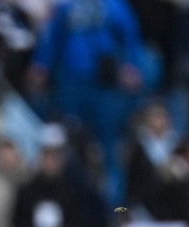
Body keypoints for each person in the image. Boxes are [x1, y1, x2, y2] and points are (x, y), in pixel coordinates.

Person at [26, 0, 146, 205]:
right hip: (71, 86)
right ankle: (73, 207)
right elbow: (52, 37)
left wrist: (132, 66)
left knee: (110, 149)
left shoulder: (113, 4)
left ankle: (115, 209)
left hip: (105, 88)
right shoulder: (66, 6)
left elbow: (130, 36)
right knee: (70, 149)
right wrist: (40, 65)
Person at [12, 123, 107, 227]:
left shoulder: (74, 192)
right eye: (47, 155)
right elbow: (19, 224)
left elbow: (80, 226)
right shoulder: (27, 192)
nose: (51, 161)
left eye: (55, 156)